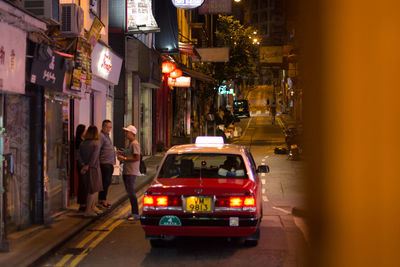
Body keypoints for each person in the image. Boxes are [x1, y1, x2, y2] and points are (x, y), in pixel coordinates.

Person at [79, 125, 103, 217]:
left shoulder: (83, 143)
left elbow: (79, 156)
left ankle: (92, 208)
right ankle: (88, 210)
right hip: (93, 168)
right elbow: (94, 157)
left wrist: (83, 165)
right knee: (92, 190)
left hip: (84, 168)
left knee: (90, 188)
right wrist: (88, 166)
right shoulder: (96, 143)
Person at [117, 125, 141, 221]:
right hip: (127, 170)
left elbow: (137, 157)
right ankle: (133, 212)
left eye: (127, 132)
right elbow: (129, 153)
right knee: (129, 192)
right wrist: (122, 153)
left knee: (131, 192)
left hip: (131, 171)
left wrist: (124, 158)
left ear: (132, 133)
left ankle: (136, 213)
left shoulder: (135, 143)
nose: (125, 134)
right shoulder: (130, 143)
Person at [98, 120, 116, 209]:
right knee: (105, 183)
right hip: (104, 163)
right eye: (107, 127)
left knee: (107, 182)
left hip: (109, 163)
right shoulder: (101, 136)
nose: (109, 129)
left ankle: (102, 200)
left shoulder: (107, 136)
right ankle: (102, 201)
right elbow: (98, 150)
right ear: (103, 126)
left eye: (110, 127)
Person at [75, 124, 87, 211]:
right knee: (83, 184)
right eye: (85, 130)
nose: (86, 131)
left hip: (83, 165)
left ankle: (84, 203)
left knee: (84, 184)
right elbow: (79, 156)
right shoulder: (80, 142)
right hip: (82, 166)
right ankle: (82, 204)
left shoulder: (83, 141)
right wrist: (83, 165)